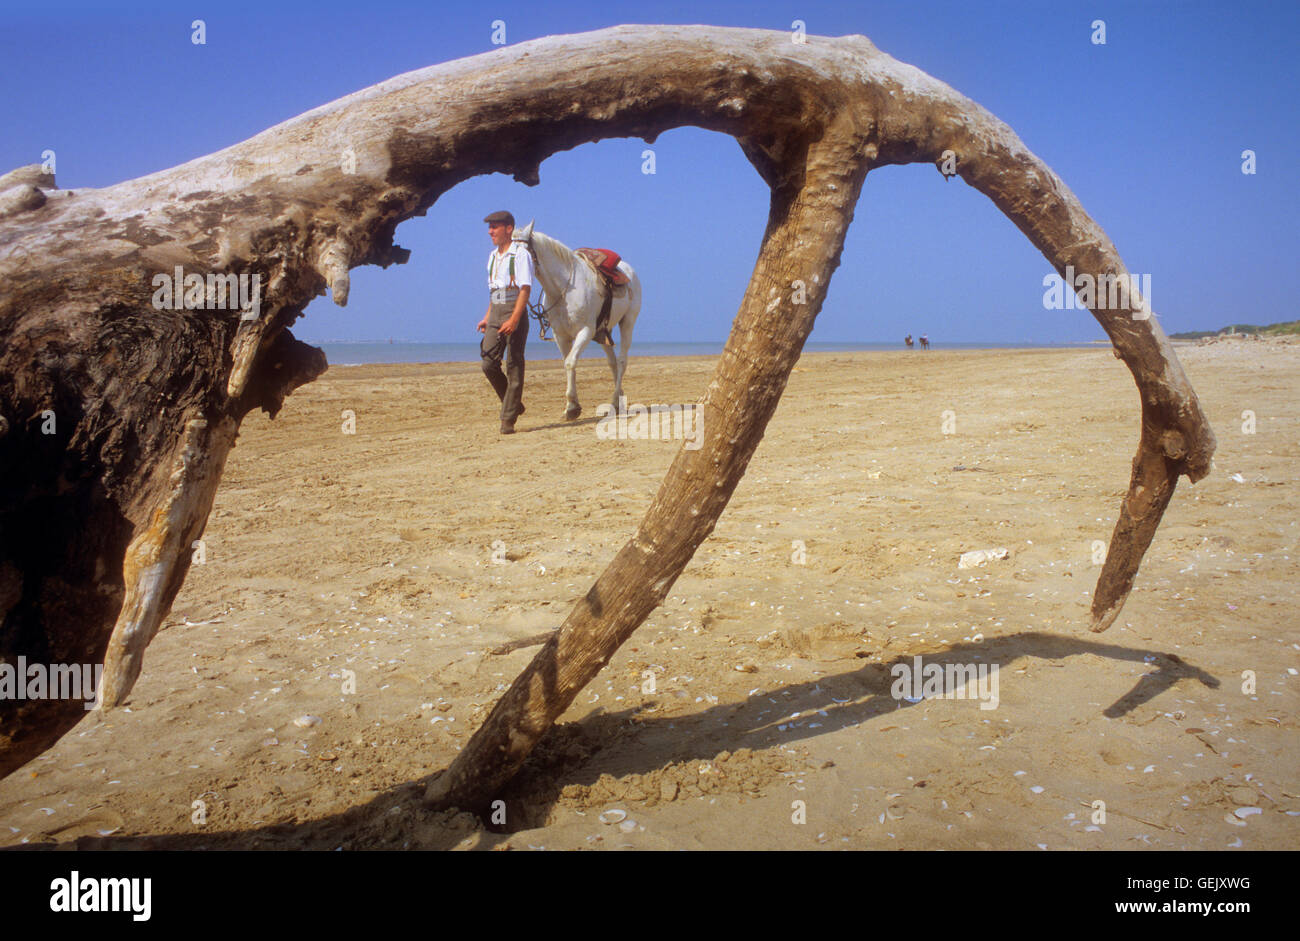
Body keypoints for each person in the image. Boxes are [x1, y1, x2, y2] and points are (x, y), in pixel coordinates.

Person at [478, 211, 533, 434]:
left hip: (515, 312)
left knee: (514, 365)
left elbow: (525, 289)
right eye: (490, 227)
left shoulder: (520, 255)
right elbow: (496, 292)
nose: (490, 231)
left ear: (509, 228)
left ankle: (507, 419)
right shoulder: (493, 256)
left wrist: (514, 319)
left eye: (495, 227)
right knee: (488, 363)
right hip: (496, 313)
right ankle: (515, 404)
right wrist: (487, 316)